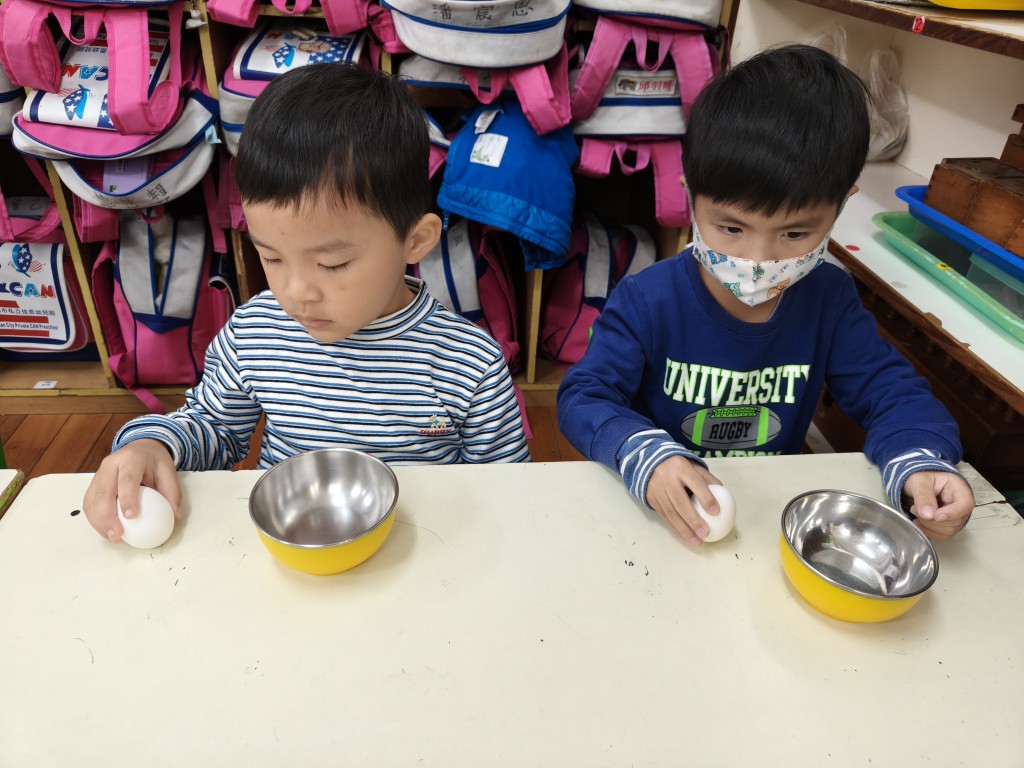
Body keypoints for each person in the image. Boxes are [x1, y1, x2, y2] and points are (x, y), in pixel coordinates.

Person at [84, 64, 530, 543]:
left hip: (422, 553)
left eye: (332, 264)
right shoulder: (255, 333)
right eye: (272, 258)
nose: (297, 291)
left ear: (415, 241)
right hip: (292, 555)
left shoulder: (469, 364)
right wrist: (151, 445)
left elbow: (508, 492)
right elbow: (213, 428)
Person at [557, 44, 975, 547]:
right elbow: (585, 396)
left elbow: (891, 392)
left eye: (795, 234)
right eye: (731, 228)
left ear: (842, 205)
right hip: (661, 511)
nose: (758, 258)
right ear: (691, 194)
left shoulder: (829, 299)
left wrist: (920, 461)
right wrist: (644, 453)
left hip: (771, 512)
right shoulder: (649, 299)